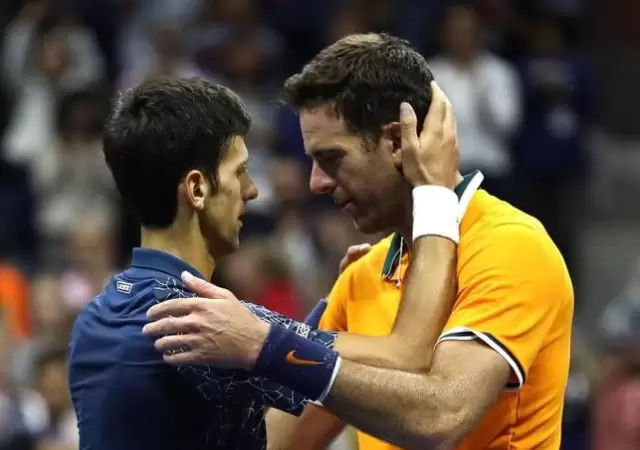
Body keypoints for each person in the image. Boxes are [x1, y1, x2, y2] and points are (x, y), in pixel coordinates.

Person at [143, 34, 574, 450]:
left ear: (396, 141)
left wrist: (264, 343)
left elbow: (439, 417)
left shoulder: (511, 246)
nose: (316, 183)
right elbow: (276, 442)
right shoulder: (361, 276)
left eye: (332, 159)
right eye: (312, 161)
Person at [68, 74, 461, 450]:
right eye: (239, 172)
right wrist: (434, 192)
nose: (252, 190)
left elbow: (279, 375)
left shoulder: (97, 317)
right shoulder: (199, 325)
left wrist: (332, 308)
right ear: (197, 188)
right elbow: (408, 355)